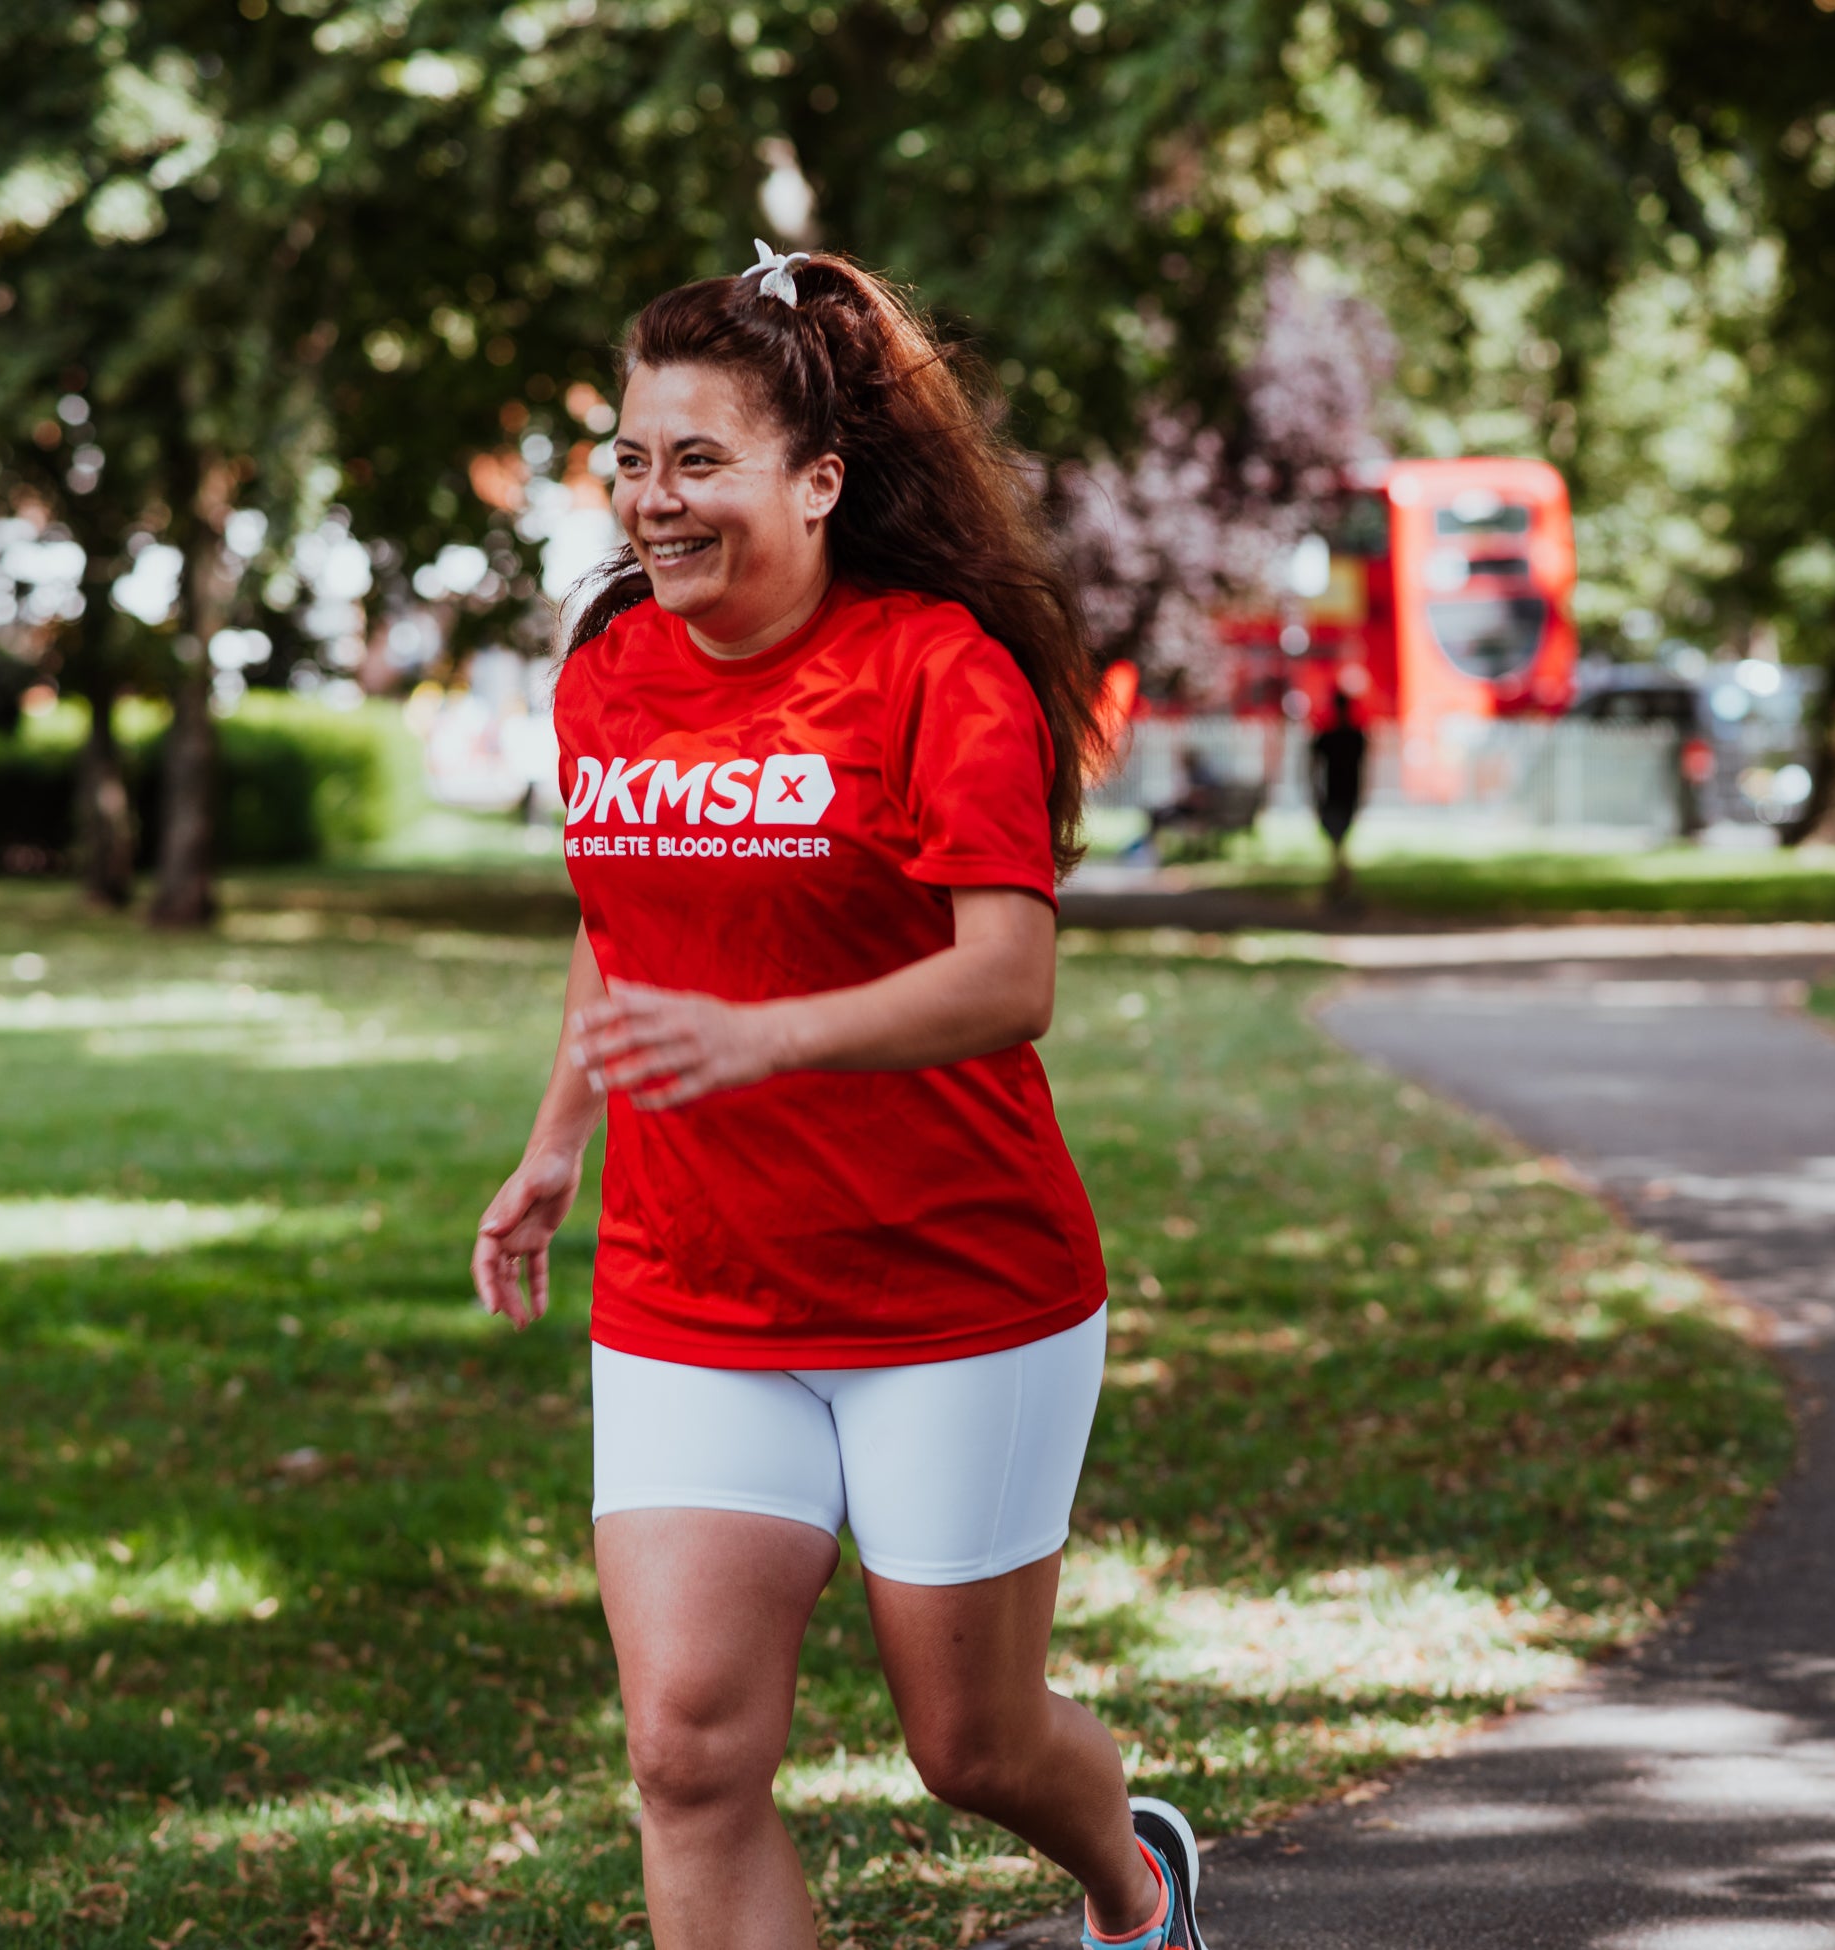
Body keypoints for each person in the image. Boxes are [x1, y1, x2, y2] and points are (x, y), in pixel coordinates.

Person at [469, 242, 1211, 1950]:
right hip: (690, 1290)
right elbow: (622, 925)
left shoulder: (933, 670)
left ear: (817, 480)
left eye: (697, 462)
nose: (655, 504)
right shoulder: (608, 673)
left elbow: (1007, 976)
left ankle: (1135, 1881)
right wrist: (555, 1145)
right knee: (687, 1754)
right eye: (634, 462)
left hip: (953, 1290)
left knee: (972, 1748)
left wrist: (767, 1037)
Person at [1308, 685, 1369, 908]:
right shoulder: (1353, 736)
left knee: (1337, 844)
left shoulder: (1332, 737)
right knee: (1338, 843)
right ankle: (1341, 885)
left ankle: (1341, 886)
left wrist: (1314, 793)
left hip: (1334, 795)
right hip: (1345, 794)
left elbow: (1312, 766)